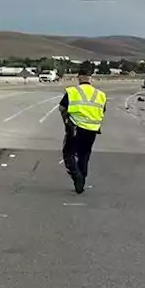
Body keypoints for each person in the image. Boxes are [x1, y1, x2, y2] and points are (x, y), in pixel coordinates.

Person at [59, 62, 108, 194]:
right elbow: (102, 111)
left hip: (75, 127)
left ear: (79, 77)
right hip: (92, 130)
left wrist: (66, 120)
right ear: (91, 78)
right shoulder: (100, 94)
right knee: (84, 154)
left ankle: (76, 176)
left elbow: (62, 107)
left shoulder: (72, 91)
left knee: (68, 153)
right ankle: (82, 179)